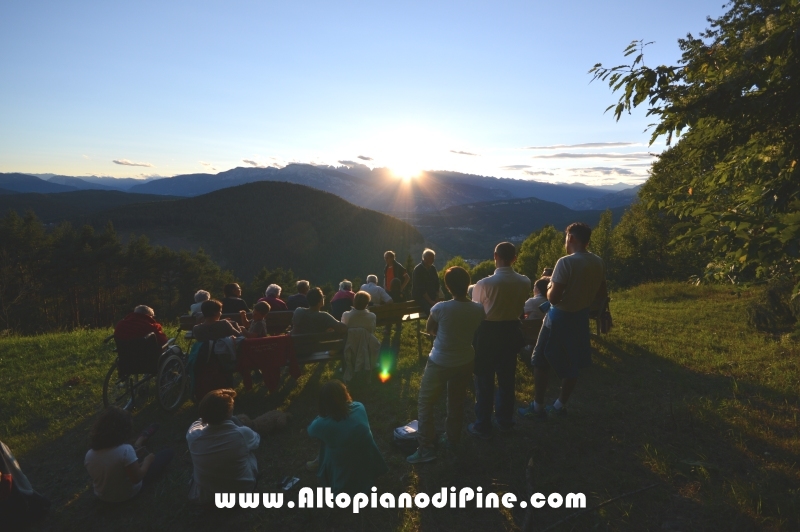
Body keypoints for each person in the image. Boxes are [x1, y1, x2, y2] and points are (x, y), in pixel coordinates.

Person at [519, 223, 607, 419]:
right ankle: (560, 406)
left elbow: (553, 298)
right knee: (572, 361)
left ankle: (538, 406)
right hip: (581, 317)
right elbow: (601, 292)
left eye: (566, 237)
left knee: (541, 360)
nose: (565, 242)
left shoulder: (565, 262)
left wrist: (550, 285)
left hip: (559, 318)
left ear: (572, 238)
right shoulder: (598, 261)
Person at [407, 267, 485, 463]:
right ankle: (452, 439)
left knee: (426, 402)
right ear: (467, 283)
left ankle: (426, 448)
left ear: (448, 286)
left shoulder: (440, 308)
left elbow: (430, 329)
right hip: (466, 359)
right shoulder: (478, 308)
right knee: (456, 402)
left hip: (440, 361)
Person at [469, 242, 531, 437]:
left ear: (495, 256)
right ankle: (505, 420)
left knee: (484, 379)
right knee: (506, 379)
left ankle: (483, 424)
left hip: (487, 333)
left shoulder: (484, 284)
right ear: (515, 258)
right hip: (511, 332)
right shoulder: (525, 281)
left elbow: (476, 311)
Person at [306, 380, 388, 495]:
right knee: (336, 437)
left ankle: (320, 462)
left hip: (346, 470)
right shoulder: (359, 406)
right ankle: (319, 460)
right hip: (368, 462)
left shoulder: (322, 425)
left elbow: (310, 430)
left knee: (326, 440)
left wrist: (323, 415)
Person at [84, 407, 174, 502]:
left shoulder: (89, 454)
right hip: (127, 494)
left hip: (102, 496)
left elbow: (112, 467)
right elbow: (137, 478)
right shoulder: (125, 450)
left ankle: (141, 439)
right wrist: (147, 461)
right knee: (168, 453)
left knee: (129, 454)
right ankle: (141, 439)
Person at [186, 389, 260, 503]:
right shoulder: (242, 434)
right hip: (240, 494)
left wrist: (208, 412)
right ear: (229, 412)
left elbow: (197, 423)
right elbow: (256, 441)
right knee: (248, 452)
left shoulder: (192, 435)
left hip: (206, 497)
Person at [412, 248, 440, 313]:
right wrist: (430, 301)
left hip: (432, 295)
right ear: (425, 258)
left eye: (433, 258)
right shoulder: (418, 270)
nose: (433, 260)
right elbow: (421, 289)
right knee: (431, 311)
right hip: (420, 297)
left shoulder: (433, 268)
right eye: (431, 258)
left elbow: (437, 283)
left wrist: (437, 297)